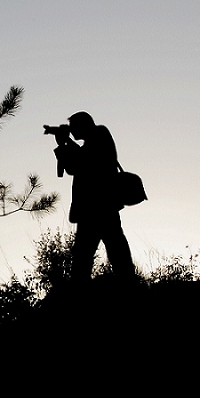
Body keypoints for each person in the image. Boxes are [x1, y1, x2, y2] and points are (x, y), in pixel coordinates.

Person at [51, 111, 135, 286]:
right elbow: (77, 164)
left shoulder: (99, 134)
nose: (72, 131)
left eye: (74, 127)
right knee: (104, 248)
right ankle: (127, 282)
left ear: (83, 125)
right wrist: (66, 143)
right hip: (97, 207)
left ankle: (124, 284)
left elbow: (82, 163)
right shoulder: (94, 140)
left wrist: (65, 144)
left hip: (98, 206)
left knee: (91, 253)